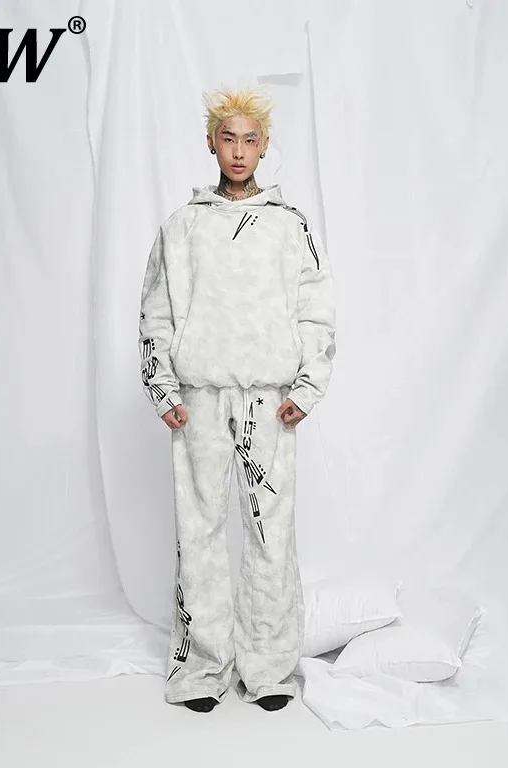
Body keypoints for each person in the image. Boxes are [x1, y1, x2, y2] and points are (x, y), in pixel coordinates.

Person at [137, 85, 336, 713]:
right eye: (229, 138)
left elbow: (315, 309)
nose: (240, 151)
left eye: (251, 140)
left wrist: (307, 387)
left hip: (269, 401)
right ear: (211, 143)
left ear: (265, 145)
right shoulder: (183, 226)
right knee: (197, 531)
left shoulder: (289, 226)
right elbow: (156, 310)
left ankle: (269, 669)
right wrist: (162, 387)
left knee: (270, 531)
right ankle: (201, 668)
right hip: (199, 399)